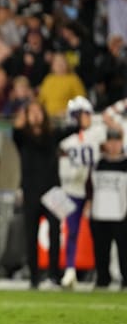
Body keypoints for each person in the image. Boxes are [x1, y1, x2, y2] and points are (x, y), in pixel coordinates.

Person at [12, 100, 77, 289]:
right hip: (30, 191)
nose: (35, 115)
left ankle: (54, 276)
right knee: (30, 236)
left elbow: (72, 129)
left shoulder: (52, 135)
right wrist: (23, 115)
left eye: (38, 111)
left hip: (53, 190)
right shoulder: (22, 137)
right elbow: (15, 130)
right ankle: (33, 278)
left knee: (55, 235)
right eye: (31, 112)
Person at [58, 96, 106, 288]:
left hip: (99, 189)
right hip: (74, 190)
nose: (84, 118)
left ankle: (105, 272)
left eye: (85, 113)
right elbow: (63, 172)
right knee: (72, 231)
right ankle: (70, 270)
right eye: (80, 114)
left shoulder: (99, 132)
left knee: (103, 232)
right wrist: (76, 172)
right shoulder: (67, 142)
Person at [87, 128, 127, 289]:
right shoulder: (98, 164)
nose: (113, 145)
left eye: (117, 141)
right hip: (100, 213)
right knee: (101, 250)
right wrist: (89, 204)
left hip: (121, 214)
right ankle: (103, 279)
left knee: (124, 250)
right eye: (111, 141)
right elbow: (89, 186)